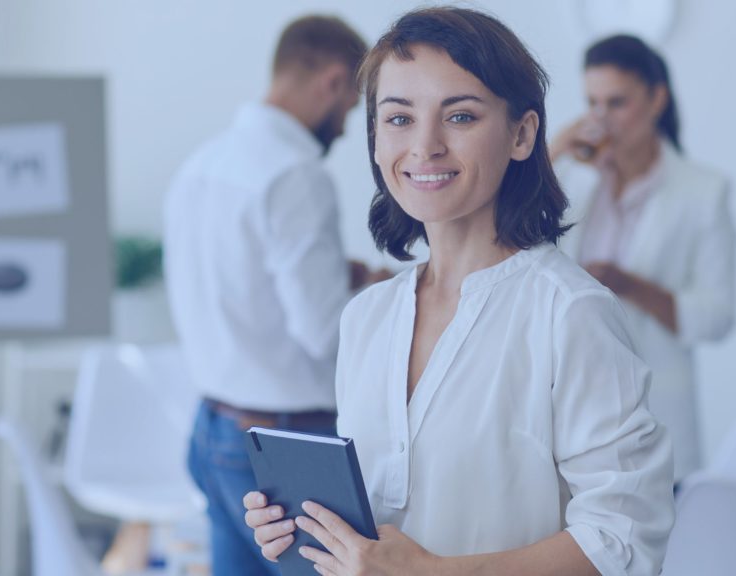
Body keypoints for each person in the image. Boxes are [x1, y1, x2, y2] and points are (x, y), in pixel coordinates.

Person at [244, 7, 674, 576]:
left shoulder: (569, 312)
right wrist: (308, 526)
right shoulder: (366, 317)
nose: (425, 147)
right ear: (374, 139)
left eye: (461, 116)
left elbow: (623, 541)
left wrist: (428, 572)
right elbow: (378, 533)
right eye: (398, 118)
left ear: (522, 134)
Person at [163, 15, 381, 576]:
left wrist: (339, 275)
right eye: (353, 108)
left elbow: (236, 285)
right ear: (333, 82)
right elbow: (325, 334)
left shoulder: (202, 162)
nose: (344, 126)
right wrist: (383, 295)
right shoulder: (296, 175)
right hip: (284, 444)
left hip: (212, 427)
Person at [550, 34, 736, 482]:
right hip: (570, 414)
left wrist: (629, 284)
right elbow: (510, 242)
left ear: (657, 99)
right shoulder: (571, 181)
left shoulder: (703, 192)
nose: (601, 119)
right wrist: (553, 152)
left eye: (617, 102)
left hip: (655, 414)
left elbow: (717, 316)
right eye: (592, 103)